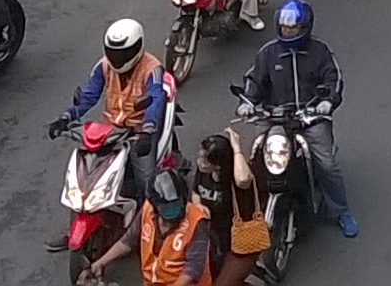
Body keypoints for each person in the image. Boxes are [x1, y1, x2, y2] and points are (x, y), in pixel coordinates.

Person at [238, 0, 356, 237]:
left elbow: (334, 81)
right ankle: (249, 211)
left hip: (311, 118)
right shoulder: (268, 53)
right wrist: (247, 103)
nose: (287, 31)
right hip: (277, 119)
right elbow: (253, 81)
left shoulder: (320, 52)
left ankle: (340, 210)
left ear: (305, 28)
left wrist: (326, 102)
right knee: (256, 156)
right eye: (284, 28)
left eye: (292, 28)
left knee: (326, 164)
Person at [61, 18, 173, 204]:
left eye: (123, 53)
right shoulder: (103, 65)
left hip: (137, 131)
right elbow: (89, 96)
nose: (117, 58)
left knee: (146, 183)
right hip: (110, 130)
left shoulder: (152, 69)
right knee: (88, 173)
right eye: (114, 52)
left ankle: (147, 216)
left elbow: (154, 101)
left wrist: (147, 130)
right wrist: (67, 116)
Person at [78, 167, 210, 286]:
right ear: (155, 206)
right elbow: (128, 240)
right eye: (166, 209)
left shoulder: (196, 223)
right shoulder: (147, 211)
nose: (173, 212)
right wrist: (99, 263)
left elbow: (192, 271)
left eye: (177, 206)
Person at [195, 131, 267, 286]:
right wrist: (198, 206)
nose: (199, 162)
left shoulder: (235, 177)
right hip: (212, 237)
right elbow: (196, 192)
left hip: (240, 241)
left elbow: (243, 180)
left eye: (204, 160)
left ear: (218, 164)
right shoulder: (202, 171)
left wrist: (236, 148)